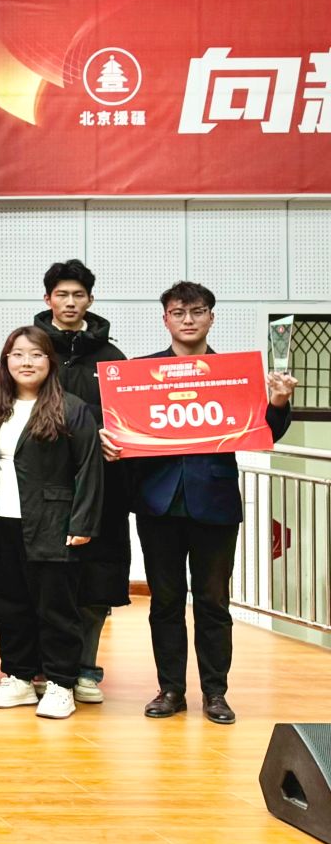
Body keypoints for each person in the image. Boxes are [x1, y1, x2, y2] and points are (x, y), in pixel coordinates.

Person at [111, 282, 297, 724]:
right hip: (157, 502)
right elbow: (123, 431)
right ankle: (170, 689)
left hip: (214, 502)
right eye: (179, 312)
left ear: (212, 317)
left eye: (197, 311)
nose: (188, 319)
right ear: (165, 320)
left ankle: (215, 693)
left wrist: (278, 401)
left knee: (213, 602)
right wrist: (113, 444)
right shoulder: (141, 372)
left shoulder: (233, 373)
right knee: (165, 603)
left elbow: (265, 432)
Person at [0, 326, 102, 721]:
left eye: (36, 354)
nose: (27, 362)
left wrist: (83, 522)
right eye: (18, 354)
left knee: (56, 608)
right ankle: (20, 677)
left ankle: (60, 683)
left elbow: (90, 469)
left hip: (53, 523)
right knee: (9, 606)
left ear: (50, 361)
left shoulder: (72, 408)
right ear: (5, 361)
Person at [37, 259, 127, 705]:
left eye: (78, 295)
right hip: (42, 486)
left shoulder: (113, 359)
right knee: (45, 579)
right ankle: (45, 667)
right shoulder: (34, 350)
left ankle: (87, 667)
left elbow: (126, 418)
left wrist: (114, 435)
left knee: (96, 579)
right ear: (48, 299)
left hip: (100, 486)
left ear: (90, 299)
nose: (70, 302)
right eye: (62, 294)